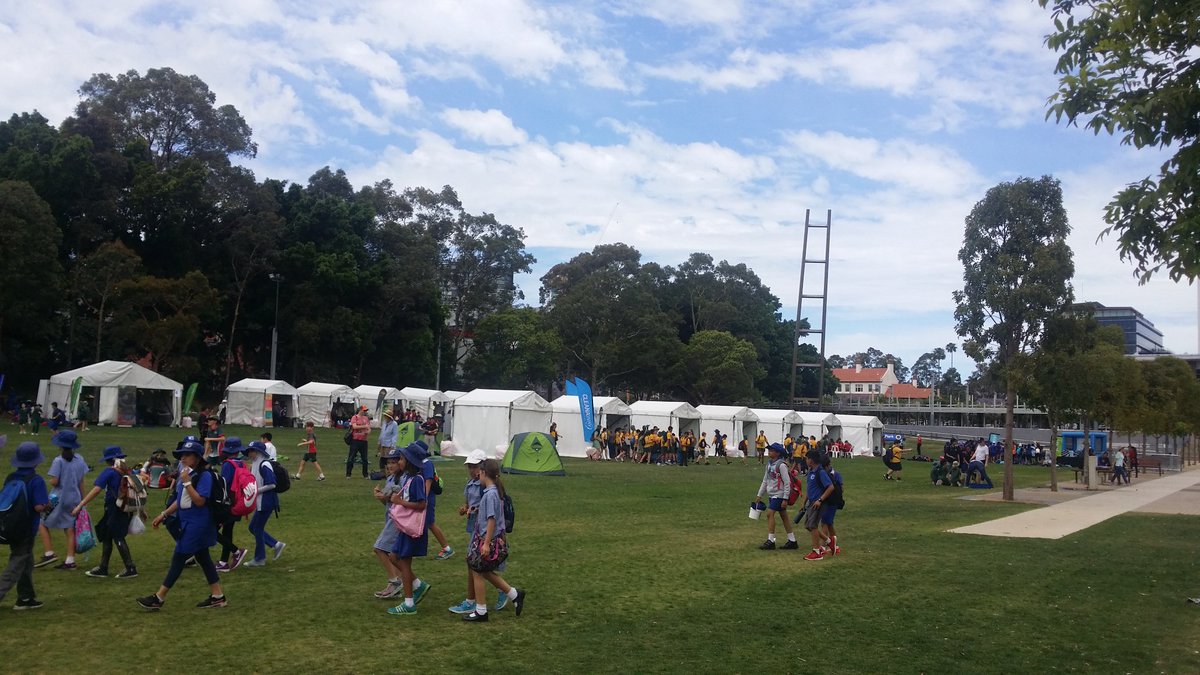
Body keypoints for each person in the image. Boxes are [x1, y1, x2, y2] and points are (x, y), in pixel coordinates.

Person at [138, 439, 227, 610]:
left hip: (198, 523)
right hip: (189, 522)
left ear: (197, 457)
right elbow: (181, 500)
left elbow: (200, 500)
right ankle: (218, 596)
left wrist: (186, 482)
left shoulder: (204, 476)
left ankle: (159, 597)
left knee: (179, 557)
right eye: (181, 455)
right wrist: (164, 514)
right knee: (203, 558)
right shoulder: (190, 474)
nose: (182, 458)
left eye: (187, 455)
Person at [461, 458, 526, 622]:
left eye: (479, 473)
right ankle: (514, 594)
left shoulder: (490, 495)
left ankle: (481, 610)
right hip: (485, 537)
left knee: (477, 571)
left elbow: (492, 519)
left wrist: (486, 543)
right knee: (484, 572)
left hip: (487, 539)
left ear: (483, 473)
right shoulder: (492, 493)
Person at [449, 449, 510, 614]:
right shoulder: (472, 484)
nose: (471, 470)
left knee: (476, 565)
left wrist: (487, 540)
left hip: (484, 532)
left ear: (483, 469)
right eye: (469, 466)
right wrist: (465, 509)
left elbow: (491, 512)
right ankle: (505, 592)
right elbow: (471, 504)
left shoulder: (487, 487)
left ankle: (474, 601)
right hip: (475, 529)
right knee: (478, 566)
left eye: (474, 466)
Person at [73, 445, 138, 578]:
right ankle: (103, 567)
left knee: (117, 537)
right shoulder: (128, 471)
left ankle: (130, 568)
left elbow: (97, 489)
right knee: (107, 536)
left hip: (114, 508)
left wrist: (80, 504)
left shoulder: (109, 472)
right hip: (124, 508)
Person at [1, 442, 51, 609]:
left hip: (8, 525)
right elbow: (38, 506)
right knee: (17, 563)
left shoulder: (11, 477)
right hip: (25, 528)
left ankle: (25, 598)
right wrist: (47, 505)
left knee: (26, 561)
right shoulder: (36, 480)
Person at [385, 442, 432, 616]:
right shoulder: (410, 479)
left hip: (411, 528)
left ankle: (409, 603)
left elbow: (422, 504)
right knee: (393, 556)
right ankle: (418, 585)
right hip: (405, 528)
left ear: (410, 461)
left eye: (403, 458)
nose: (400, 461)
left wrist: (400, 502)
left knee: (404, 563)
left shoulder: (417, 480)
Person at [37, 430, 88, 570]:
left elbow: (55, 481)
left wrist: (49, 480)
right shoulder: (80, 459)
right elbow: (81, 481)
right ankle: (70, 560)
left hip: (58, 498)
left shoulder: (58, 461)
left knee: (41, 521)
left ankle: (49, 552)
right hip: (75, 498)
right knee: (69, 528)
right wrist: (83, 501)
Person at [371, 447, 407, 600]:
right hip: (390, 517)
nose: (391, 465)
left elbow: (403, 501)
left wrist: (386, 497)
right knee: (394, 555)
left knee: (379, 548)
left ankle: (395, 581)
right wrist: (381, 497)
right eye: (388, 462)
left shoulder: (404, 479)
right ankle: (397, 585)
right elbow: (388, 504)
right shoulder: (390, 479)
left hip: (398, 520)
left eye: (394, 462)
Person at [243, 441, 285, 567]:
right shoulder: (256, 464)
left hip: (266, 501)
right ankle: (275, 545)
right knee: (254, 528)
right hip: (262, 501)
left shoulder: (264, 464)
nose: (250, 453)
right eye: (249, 451)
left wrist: (256, 491)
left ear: (259, 452)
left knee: (256, 528)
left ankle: (260, 558)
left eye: (252, 451)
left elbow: (272, 483)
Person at [415, 440, 454, 561]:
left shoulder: (426, 464)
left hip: (428, 498)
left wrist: (424, 498)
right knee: (421, 523)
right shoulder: (419, 463)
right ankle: (416, 549)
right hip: (423, 498)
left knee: (429, 523)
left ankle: (447, 548)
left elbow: (428, 481)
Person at [755, 443, 798, 551]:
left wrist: (785, 498)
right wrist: (759, 495)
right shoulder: (769, 464)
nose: (769, 452)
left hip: (779, 494)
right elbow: (765, 480)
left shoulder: (781, 465)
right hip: (772, 494)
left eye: (772, 450)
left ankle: (771, 541)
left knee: (770, 514)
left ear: (778, 453)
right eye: (769, 450)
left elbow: (787, 483)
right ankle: (792, 540)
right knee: (784, 517)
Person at [214, 439, 249, 573]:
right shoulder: (242, 464)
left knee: (211, 530)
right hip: (239, 501)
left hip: (227, 503)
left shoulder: (228, 465)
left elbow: (224, 484)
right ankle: (223, 562)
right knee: (227, 531)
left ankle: (236, 551)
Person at [802, 451, 835, 561]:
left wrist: (820, 500)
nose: (806, 461)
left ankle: (816, 551)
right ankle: (829, 541)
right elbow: (809, 488)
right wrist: (804, 501)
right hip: (811, 502)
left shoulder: (820, 472)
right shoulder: (811, 472)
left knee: (813, 525)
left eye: (807, 458)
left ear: (811, 460)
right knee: (808, 525)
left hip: (818, 503)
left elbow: (830, 487)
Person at [819, 453, 843, 556]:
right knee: (829, 524)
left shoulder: (835, 474)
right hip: (826, 501)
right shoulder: (826, 473)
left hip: (831, 502)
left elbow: (841, 489)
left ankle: (823, 546)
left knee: (825, 522)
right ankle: (835, 546)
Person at [347, 405, 371, 479]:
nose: (365, 412)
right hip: (355, 440)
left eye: (366, 411)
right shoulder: (355, 417)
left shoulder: (366, 418)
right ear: (360, 410)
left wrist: (368, 432)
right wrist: (364, 427)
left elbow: (369, 428)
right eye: (364, 410)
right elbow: (354, 426)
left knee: (365, 459)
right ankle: (348, 473)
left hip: (364, 440)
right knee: (351, 457)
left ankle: (365, 474)